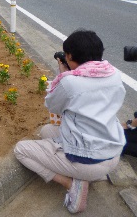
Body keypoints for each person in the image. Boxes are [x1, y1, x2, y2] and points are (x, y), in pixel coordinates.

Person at [14, 29, 126, 214]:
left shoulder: (71, 82)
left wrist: (63, 75)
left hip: (89, 160)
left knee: (21, 150)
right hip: (113, 153)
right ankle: (85, 175)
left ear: (70, 56)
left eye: (66, 55)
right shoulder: (113, 74)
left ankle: (73, 183)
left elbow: (52, 106)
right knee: (47, 131)